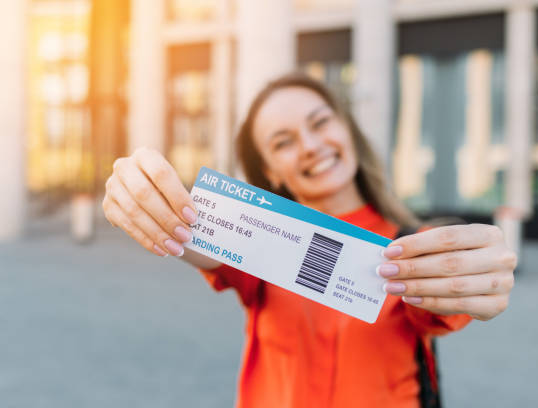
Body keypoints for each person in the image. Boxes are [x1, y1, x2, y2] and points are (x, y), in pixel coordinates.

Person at [103, 73, 516, 407]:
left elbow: (448, 304)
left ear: (346, 128)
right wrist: (145, 197)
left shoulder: (414, 245)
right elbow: (189, 233)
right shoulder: (256, 242)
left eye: (320, 122)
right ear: (271, 172)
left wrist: (478, 279)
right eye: (283, 142)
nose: (311, 146)